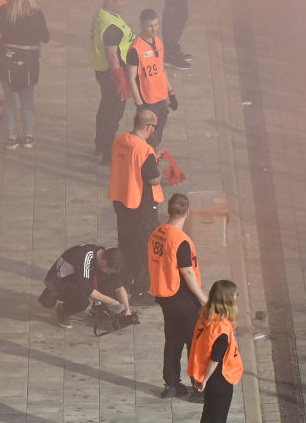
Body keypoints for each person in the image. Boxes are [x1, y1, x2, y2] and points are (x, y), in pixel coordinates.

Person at [147, 193, 206, 400]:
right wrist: (202, 298)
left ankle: (171, 385)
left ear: (169, 210)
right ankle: (198, 388)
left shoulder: (158, 233)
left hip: (165, 296)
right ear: (187, 213)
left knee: (172, 340)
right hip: (182, 297)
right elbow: (187, 271)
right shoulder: (180, 240)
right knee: (194, 342)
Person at [190, 278, 246, 423]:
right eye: (235, 294)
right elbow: (216, 357)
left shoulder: (206, 315)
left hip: (206, 374)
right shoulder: (222, 326)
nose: (237, 297)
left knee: (208, 417)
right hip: (220, 378)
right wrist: (205, 380)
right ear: (227, 299)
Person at [108, 106, 163, 293]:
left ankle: (121, 280)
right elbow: (152, 178)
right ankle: (141, 288)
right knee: (146, 248)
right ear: (148, 127)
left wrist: (152, 160)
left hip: (121, 200)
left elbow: (131, 164)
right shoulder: (144, 150)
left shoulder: (120, 140)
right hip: (142, 206)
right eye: (154, 127)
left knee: (126, 244)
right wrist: (156, 167)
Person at [0, 0, 51, 151]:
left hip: (7, 57)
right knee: (28, 100)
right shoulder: (36, 14)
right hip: (28, 60)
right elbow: (45, 37)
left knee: (9, 99)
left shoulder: (4, 10)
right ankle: (28, 136)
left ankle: (11, 137)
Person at [89, 0, 134, 166]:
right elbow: (112, 54)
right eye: (121, 0)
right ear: (110, 1)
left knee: (105, 107)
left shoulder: (102, 15)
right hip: (113, 73)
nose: (125, 3)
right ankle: (108, 152)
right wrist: (121, 80)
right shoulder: (111, 26)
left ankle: (100, 143)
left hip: (103, 70)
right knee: (114, 113)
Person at [38, 245, 130, 324]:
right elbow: (86, 289)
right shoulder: (84, 258)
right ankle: (62, 310)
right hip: (59, 281)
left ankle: (100, 309)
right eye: (109, 271)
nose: (109, 273)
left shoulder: (102, 257)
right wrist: (112, 302)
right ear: (104, 263)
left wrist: (127, 310)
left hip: (77, 278)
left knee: (108, 279)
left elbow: (119, 287)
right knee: (82, 302)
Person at [127, 8, 174, 148]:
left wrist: (171, 93)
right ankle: (147, 164)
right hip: (148, 101)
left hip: (161, 98)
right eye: (150, 26)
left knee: (158, 132)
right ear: (141, 25)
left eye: (156, 25)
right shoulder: (135, 50)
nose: (154, 29)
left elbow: (161, 70)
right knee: (149, 137)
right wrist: (140, 105)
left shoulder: (158, 42)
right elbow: (131, 79)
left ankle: (150, 158)